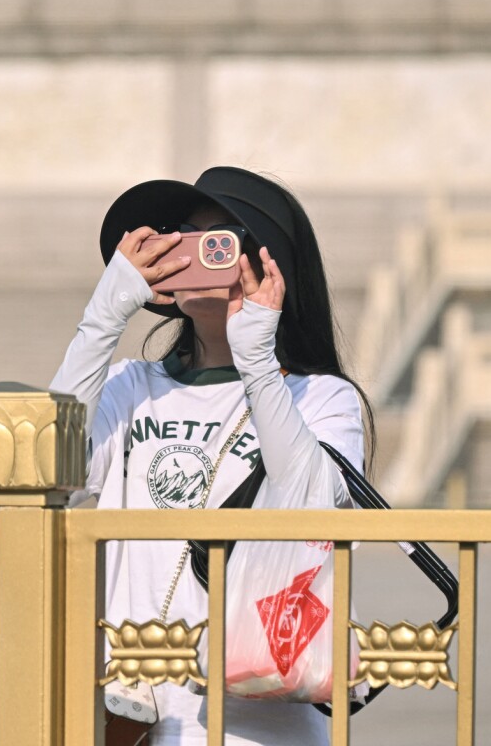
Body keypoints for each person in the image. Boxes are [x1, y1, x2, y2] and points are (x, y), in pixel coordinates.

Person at [50, 167, 372, 745]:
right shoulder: (128, 386)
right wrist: (102, 317)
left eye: (218, 239)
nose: (193, 252)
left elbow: (313, 506)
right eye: (181, 236)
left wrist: (257, 362)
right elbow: (48, 474)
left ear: (271, 265)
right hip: (137, 717)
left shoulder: (321, 396)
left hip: (260, 724)